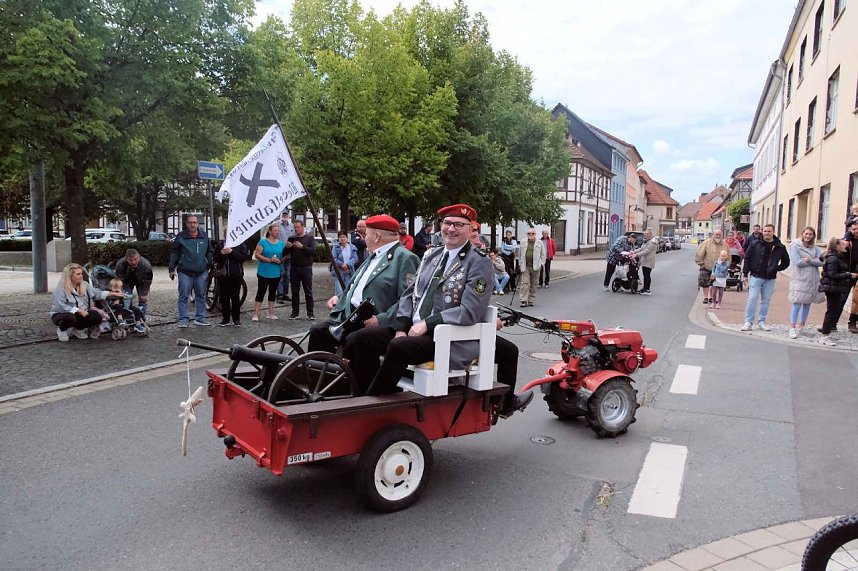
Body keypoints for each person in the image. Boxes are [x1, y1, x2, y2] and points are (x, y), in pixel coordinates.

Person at [343, 203, 493, 396]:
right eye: (447, 223)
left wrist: (427, 324)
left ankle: (375, 403)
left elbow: (469, 311)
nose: (451, 229)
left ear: (470, 228)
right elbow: (408, 294)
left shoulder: (479, 262)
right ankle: (360, 395)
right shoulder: (432, 255)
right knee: (358, 339)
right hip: (412, 330)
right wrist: (400, 327)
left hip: (444, 338)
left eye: (458, 224)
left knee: (398, 347)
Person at [308, 215, 420, 354]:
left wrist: (381, 319)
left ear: (377, 236)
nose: (364, 238)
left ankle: (350, 376)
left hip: (375, 321)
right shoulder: (375, 255)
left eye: (366, 234)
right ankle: (319, 374)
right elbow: (359, 284)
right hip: (351, 317)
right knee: (318, 332)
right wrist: (341, 297)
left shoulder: (405, 258)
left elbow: (408, 299)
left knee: (355, 340)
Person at [50, 263, 122, 341]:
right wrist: (77, 310)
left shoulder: (85, 285)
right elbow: (60, 306)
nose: (81, 276)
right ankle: (62, 330)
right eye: (78, 274)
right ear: (70, 276)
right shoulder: (61, 288)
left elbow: (97, 293)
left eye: (81, 273)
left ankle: (78, 329)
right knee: (70, 317)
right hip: (61, 314)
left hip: (82, 313)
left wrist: (112, 293)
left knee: (97, 316)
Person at [740, 224, 790, 332]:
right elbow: (747, 259)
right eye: (765, 231)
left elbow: (786, 261)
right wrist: (745, 274)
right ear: (763, 232)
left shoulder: (779, 247)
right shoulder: (755, 244)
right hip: (756, 276)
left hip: (770, 278)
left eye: (769, 231)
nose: (767, 233)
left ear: (773, 232)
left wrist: (776, 268)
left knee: (765, 300)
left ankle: (761, 321)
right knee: (752, 298)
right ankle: (748, 321)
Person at [168, 215, 213, 327]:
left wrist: (207, 263)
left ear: (198, 223)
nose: (193, 225)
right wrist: (171, 268)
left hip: (201, 271)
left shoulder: (204, 236)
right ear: (187, 224)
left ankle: (200, 318)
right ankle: (183, 319)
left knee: (201, 295)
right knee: (183, 296)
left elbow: (210, 251)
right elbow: (175, 253)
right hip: (185, 271)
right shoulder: (181, 237)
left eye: (195, 222)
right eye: (190, 222)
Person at [818, 237, 857, 346]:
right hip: (832, 288)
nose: (846, 246)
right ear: (837, 246)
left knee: (832, 311)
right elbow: (832, 275)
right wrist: (849, 274)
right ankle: (824, 336)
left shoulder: (837, 257)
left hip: (835, 287)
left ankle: (826, 334)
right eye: (844, 245)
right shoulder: (833, 258)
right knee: (831, 312)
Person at [787, 226, 824, 339]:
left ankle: (801, 326)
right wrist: (813, 261)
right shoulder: (795, 246)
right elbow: (797, 262)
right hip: (800, 278)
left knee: (807, 303)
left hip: (812, 279)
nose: (808, 236)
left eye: (810, 234)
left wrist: (809, 260)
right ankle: (792, 327)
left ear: (813, 236)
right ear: (802, 234)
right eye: (806, 234)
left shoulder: (816, 248)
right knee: (797, 302)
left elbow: (822, 262)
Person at [252, 223, 284, 322]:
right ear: (270, 231)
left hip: (276, 272)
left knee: (272, 292)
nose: (277, 232)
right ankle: (256, 314)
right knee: (261, 292)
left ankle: (270, 313)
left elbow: (284, 255)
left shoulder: (281, 243)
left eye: (278, 230)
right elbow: (257, 255)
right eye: (275, 230)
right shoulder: (263, 242)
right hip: (264, 271)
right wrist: (269, 260)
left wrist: (280, 260)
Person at [213, 239, 249, 326]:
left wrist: (232, 252)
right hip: (223, 275)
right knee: (224, 297)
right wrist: (221, 253)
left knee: (235, 297)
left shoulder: (240, 244)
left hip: (236, 274)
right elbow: (215, 258)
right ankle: (225, 319)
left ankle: (236, 319)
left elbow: (243, 258)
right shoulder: (221, 244)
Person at [286, 219, 316, 320]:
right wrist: (287, 247)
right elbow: (284, 253)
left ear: (302, 227)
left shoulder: (309, 238)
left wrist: (302, 247)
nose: (296, 229)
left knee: (308, 291)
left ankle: (310, 313)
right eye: (294, 227)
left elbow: (312, 251)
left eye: (298, 227)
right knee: (294, 291)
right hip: (294, 267)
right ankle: (295, 313)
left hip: (306, 267)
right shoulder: (292, 238)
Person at [113, 248, 153, 318]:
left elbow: (148, 279)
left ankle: (141, 317)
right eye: (130, 260)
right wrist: (119, 290)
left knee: (142, 299)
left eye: (135, 259)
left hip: (142, 281)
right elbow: (119, 279)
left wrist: (145, 292)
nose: (133, 262)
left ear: (139, 257)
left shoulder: (146, 265)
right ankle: (129, 316)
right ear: (126, 259)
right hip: (126, 281)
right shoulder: (120, 264)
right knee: (126, 298)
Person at [516, 227, 546, 307]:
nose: (531, 235)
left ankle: (531, 300)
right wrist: (520, 263)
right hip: (525, 266)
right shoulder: (523, 242)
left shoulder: (539, 242)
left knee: (534, 284)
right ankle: (523, 300)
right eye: (529, 233)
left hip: (535, 267)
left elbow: (543, 255)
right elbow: (519, 254)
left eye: (532, 233)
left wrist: (541, 264)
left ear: (535, 234)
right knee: (525, 283)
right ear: (527, 234)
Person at [694, 229, 724, 304]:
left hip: (718, 268)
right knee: (705, 283)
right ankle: (705, 297)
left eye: (719, 235)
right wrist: (701, 263)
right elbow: (699, 253)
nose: (717, 236)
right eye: (716, 234)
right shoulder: (706, 243)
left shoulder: (724, 244)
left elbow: (728, 256)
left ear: (721, 235)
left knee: (714, 284)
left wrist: (726, 265)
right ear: (713, 235)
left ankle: (711, 297)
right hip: (706, 266)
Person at [329, 230, 357, 296]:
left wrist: (347, 265)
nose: (342, 239)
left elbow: (354, 258)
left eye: (344, 237)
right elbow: (334, 258)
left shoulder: (352, 247)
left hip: (349, 272)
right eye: (340, 237)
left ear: (347, 238)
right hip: (339, 272)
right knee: (339, 291)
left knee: (348, 290)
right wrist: (342, 264)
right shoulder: (336, 247)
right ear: (338, 238)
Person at [842, 222, 858, 334]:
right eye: (854, 229)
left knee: (857, 299)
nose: (856, 230)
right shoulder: (846, 241)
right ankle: (831, 324)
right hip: (847, 273)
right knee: (841, 298)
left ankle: (852, 322)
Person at [276, 210, 294, 303]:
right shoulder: (276, 224)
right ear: (281, 215)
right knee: (280, 274)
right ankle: (279, 294)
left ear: (289, 215)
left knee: (287, 274)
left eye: (286, 214)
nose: (285, 215)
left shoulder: (291, 226)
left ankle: (285, 294)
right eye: (283, 214)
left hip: (289, 254)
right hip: (280, 253)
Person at [632, 229, 658, 295]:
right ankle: (644, 288)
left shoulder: (652, 242)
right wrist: (634, 251)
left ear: (650, 234)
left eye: (647, 234)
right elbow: (641, 248)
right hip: (645, 261)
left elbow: (647, 251)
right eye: (645, 233)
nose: (645, 235)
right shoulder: (646, 241)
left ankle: (647, 290)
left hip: (649, 261)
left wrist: (637, 255)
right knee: (645, 275)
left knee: (647, 275)